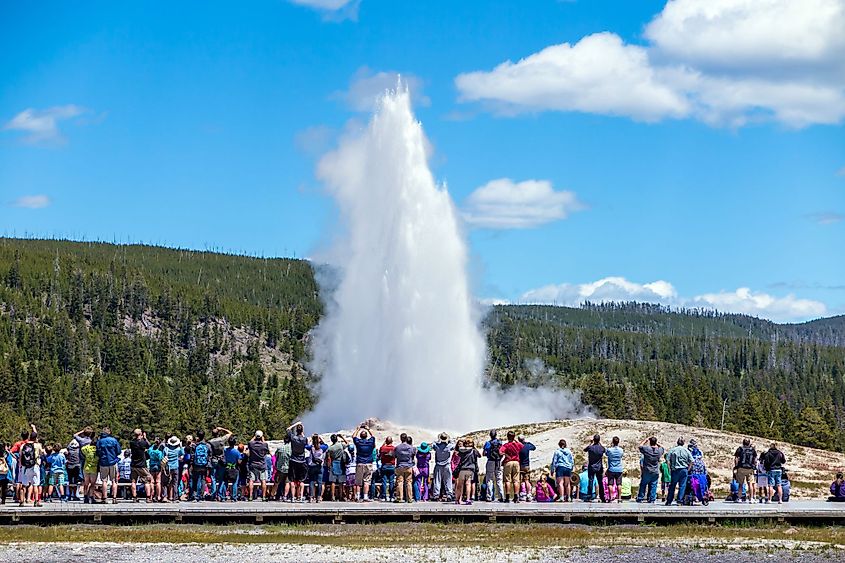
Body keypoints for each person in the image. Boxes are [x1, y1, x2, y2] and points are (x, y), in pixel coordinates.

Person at [96, 427, 121, 504]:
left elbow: (97, 452)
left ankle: (104, 498)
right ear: (109, 432)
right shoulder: (114, 440)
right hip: (113, 462)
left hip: (103, 463)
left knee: (104, 481)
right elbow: (119, 451)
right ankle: (114, 498)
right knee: (114, 481)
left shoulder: (99, 441)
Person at [664, 437, 692, 506]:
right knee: (682, 486)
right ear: (683, 443)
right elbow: (691, 461)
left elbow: (667, 460)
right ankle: (679, 501)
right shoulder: (686, 450)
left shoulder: (672, 450)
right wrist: (688, 469)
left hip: (675, 470)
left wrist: (669, 468)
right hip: (684, 469)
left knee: (672, 486)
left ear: (677, 442)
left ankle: (669, 501)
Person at [207, 426, 233, 501]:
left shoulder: (210, 442)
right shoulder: (222, 439)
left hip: (214, 460)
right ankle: (220, 494)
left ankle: (213, 495)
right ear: (218, 434)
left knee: (213, 478)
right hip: (221, 460)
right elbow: (230, 433)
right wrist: (222, 429)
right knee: (221, 478)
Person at [352, 424, 376, 502]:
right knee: (367, 481)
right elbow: (373, 436)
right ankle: (365, 497)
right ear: (366, 436)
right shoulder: (370, 442)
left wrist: (357, 429)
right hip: (369, 463)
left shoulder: (358, 442)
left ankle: (358, 497)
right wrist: (368, 429)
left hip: (360, 463)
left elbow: (353, 437)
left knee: (358, 481)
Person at [129, 429, 153, 503]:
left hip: (133, 464)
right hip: (142, 465)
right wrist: (145, 438)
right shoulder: (143, 442)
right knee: (147, 481)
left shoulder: (132, 442)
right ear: (141, 434)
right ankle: (148, 497)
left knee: (133, 481)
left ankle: (134, 497)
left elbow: (135, 441)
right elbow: (149, 445)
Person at [499, 431, 523, 503]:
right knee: (516, 480)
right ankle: (516, 497)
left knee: (507, 480)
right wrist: (515, 441)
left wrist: (505, 454)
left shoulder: (506, 445)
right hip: (516, 462)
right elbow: (522, 446)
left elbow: (500, 452)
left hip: (508, 462)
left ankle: (507, 497)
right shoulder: (517, 445)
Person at [454, 439, 479, 505]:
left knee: (460, 485)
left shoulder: (461, 450)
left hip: (462, 468)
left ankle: (458, 499)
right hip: (470, 469)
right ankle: (468, 499)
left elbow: (458, 455)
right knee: (468, 484)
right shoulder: (473, 450)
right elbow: (479, 455)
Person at [393, 433, 416, 503]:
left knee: (400, 482)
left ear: (400, 438)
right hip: (408, 466)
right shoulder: (411, 447)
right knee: (408, 482)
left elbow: (394, 456)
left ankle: (399, 498)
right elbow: (413, 454)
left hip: (400, 466)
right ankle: (409, 498)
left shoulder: (397, 447)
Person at [248, 430, 270, 501]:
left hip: (253, 464)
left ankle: (250, 496)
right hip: (262, 465)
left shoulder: (251, 444)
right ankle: (263, 496)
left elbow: (249, 442)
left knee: (251, 480)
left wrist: (254, 437)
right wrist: (263, 440)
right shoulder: (264, 444)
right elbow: (267, 450)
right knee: (263, 480)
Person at [431, 433, 454, 502]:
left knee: (437, 481)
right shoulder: (449, 446)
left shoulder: (436, 445)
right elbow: (454, 445)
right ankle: (449, 494)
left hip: (438, 465)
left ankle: (436, 495)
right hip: (447, 465)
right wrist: (450, 440)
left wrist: (438, 440)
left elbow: (432, 444)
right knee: (448, 481)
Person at [190, 430, 212, 501]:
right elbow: (209, 456)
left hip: (196, 465)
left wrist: (191, 465)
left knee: (195, 480)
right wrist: (208, 466)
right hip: (204, 465)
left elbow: (192, 456)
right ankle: (201, 495)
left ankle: (194, 494)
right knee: (203, 480)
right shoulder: (207, 445)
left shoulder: (194, 445)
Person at [583, 434, 606, 503]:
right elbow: (604, 450)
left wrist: (590, 443)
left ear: (593, 440)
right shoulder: (601, 448)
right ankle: (602, 497)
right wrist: (600, 443)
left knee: (591, 481)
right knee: (600, 482)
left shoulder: (590, 448)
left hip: (591, 467)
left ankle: (589, 496)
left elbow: (584, 450)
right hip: (599, 467)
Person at [482, 430, 504, 502]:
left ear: (490, 435)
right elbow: (502, 452)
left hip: (490, 461)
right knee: (499, 479)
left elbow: (484, 454)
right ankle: (501, 496)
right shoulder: (500, 442)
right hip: (498, 462)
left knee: (489, 479)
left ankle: (489, 497)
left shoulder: (487, 443)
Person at [734, 438, 757, 503]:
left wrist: (736, 466)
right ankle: (751, 498)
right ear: (749, 443)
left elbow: (736, 458)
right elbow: (755, 459)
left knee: (741, 484)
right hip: (750, 468)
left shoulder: (740, 449)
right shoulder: (752, 450)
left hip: (741, 468)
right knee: (750, 484)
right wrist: (754, 466)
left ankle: (739, 498)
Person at [326, 434, 347, 501]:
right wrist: (342, 437)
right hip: (341, 464)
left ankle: (333, 496)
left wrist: (329, 466)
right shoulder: (341, 445)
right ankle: (340, 496)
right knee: (341, 482)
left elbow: (329, 458)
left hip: (333, 463)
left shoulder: (330, 448)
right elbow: (347, 444)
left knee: (333, 482)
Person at [688, 439, 709, 506]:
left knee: (693, 484)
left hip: (694, 476)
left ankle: (694, 497)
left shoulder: (690, 453)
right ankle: (701, 496)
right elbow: (705, 470)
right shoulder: (701, 461)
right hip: (701, 476)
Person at [305, 433, 325, 503]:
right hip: (319, 466)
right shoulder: (322, 447)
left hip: (312, 466)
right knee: (319, 482)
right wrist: (320, 439)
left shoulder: (311, 447)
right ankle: (318, 497)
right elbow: (326, 445)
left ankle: (311, 497)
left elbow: (306, 445)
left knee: (311, 481)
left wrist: (311, 439)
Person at [163, 436, 184, 502]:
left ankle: (165, 496)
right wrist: (181, 446)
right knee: (175, 482)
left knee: (165, 483)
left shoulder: (166, 449)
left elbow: (163, 457)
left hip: (168, 467)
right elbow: (182, 453)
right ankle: (175, 497)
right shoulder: (178, 450)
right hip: (175, 467)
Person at [605, 436, 624, 503]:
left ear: (613, 441)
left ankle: (611, 497)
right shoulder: (621, 450)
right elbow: (621, 456)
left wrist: (610, 446)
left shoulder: (610, 450)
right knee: (619, 484)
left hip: (611, 468)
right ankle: (619, 498)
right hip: (619, 468)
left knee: (610, 484)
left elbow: (606, 454)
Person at [273, 435, 292, 501]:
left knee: (278, 482)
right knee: (287, 482)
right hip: (288, 468)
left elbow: (276, 456)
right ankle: (285, 496)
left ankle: (275, 495)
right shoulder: (291, 448)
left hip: (280, 468)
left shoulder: (280, 447)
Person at [80, 437, 99, 504]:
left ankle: (85, 497)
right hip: (94, 468)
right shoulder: (97, 450)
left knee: (86, 483)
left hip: (86, 468)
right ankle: (91, 496)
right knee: (93, 484)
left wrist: (88, 445)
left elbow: (82, 448)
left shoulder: (87, 449)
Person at [64, 434, 83, 501]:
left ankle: (69, 495)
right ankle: (74, 495)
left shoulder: (68, 451)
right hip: (77, 466)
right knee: (75, 481)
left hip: (69, 466)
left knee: (70, 481)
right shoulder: (78, 451)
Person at [378, 436, 396, 501]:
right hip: (391, 465)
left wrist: (384, 443)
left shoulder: (383, 448)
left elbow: (380, 450)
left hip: (384, 466)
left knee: (384, 481)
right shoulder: (394, 448)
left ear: (386, 441)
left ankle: (384, 496)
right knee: (391, 482)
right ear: (392, 441)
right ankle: (392, 496)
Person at [147, 438, 164, 502]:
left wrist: (154, 444)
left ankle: (151, 496)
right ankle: (158, 496)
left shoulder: (151, 450)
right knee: (158, 482)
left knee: (151, 481)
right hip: (158, 466)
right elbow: (161, 458)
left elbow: (149, 449)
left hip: (151, 465)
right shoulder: (159, 452)